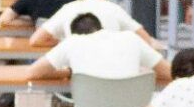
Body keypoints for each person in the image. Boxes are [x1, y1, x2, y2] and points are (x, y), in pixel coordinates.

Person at [28, 12, 166, 84]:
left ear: (75, 34)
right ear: (101, 28)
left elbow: (33, 72)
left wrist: (69, 72)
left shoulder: (73, 42)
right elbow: (168, 72)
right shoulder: (131, 38)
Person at [32, 0, 142, 47]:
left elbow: (36, 40)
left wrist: (62, 41)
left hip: (78, 80)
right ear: (105, 0)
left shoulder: (70, 8)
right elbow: (146, 40)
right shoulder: (114, 8)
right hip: (117, 81)